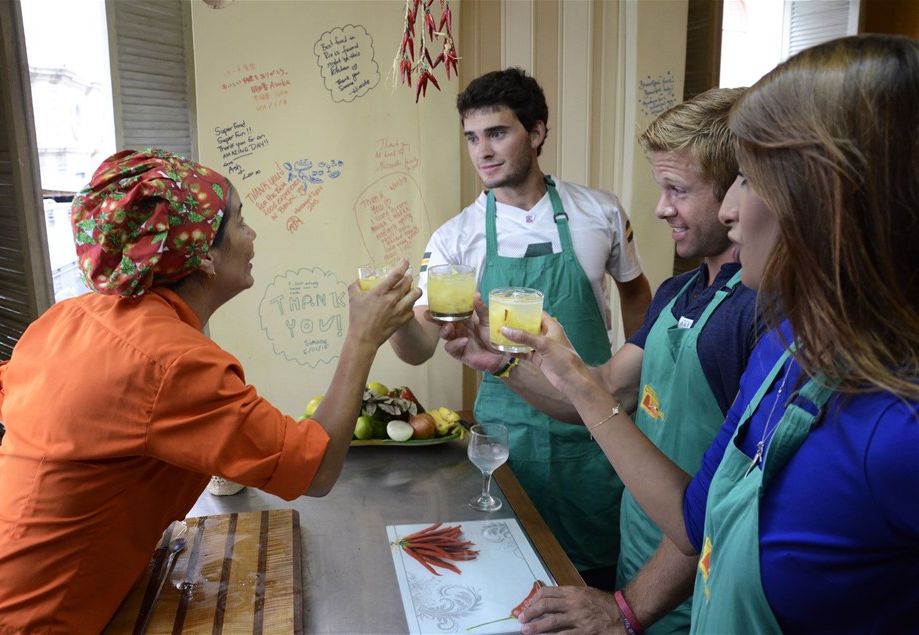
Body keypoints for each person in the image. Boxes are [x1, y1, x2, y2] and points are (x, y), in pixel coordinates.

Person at [509, 35, 919, 634]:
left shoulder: (899, 429)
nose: (729, 209)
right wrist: (549, 369)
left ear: (825, 198)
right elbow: (696, 522)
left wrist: (627, 611)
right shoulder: (784, 352)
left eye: (750, 179)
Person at [0, 148, 419, 634]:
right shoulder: (173, 361)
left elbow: (3, 399)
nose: (253, 235)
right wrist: (363, 337)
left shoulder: (72, 316)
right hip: (18, 618)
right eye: (241, 222)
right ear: (204, 256)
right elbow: (319, 470)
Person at [443, 87, 763, 634]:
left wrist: (625, 610)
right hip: (641, 561)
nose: (661, 207)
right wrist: (499, 364)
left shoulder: (757, 311)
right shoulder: (677, 292)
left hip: (698, 593)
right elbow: (607, 391)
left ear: (740, 192)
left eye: (677, 190)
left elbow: (720, 508)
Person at [390, 67, 652, 588]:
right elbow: (418, 347)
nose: (482, 151)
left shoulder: (599, 211)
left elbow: (637, 294)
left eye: (497, 133)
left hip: (595, 424)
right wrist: (394, 318)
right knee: (513, 582)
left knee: (600, 582)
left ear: (536, 132)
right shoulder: (455, 238)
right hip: (506, 440)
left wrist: (640, 382)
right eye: (471, 137)